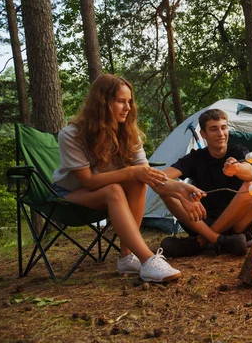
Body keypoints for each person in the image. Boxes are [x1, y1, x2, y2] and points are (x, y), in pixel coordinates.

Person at [52, 74, 184, 282]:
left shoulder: (129, 134)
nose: (128, 107)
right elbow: (88, 181)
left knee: (137, 181)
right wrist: (132, 171)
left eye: (129, 102)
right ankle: (148, 260)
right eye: (121, 101)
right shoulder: (71, 135)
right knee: (116, 189)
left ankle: (126, 256)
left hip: (106, 192)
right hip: (69, 195)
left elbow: (145, 174)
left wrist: (181, 189)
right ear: (102, 103)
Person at [158, 109, 252, 257]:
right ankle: (218, 240)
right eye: (214, 129)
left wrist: (236, 168)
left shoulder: (237, 151)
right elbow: (160, 179)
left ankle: (201, 242)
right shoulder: (195, 158)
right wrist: (182, 192)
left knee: (251, 186)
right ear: (203, 135)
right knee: (165, 191)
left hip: (238, 222)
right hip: (204, 219)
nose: (220, 133)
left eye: (223, 127)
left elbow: (250, 173)